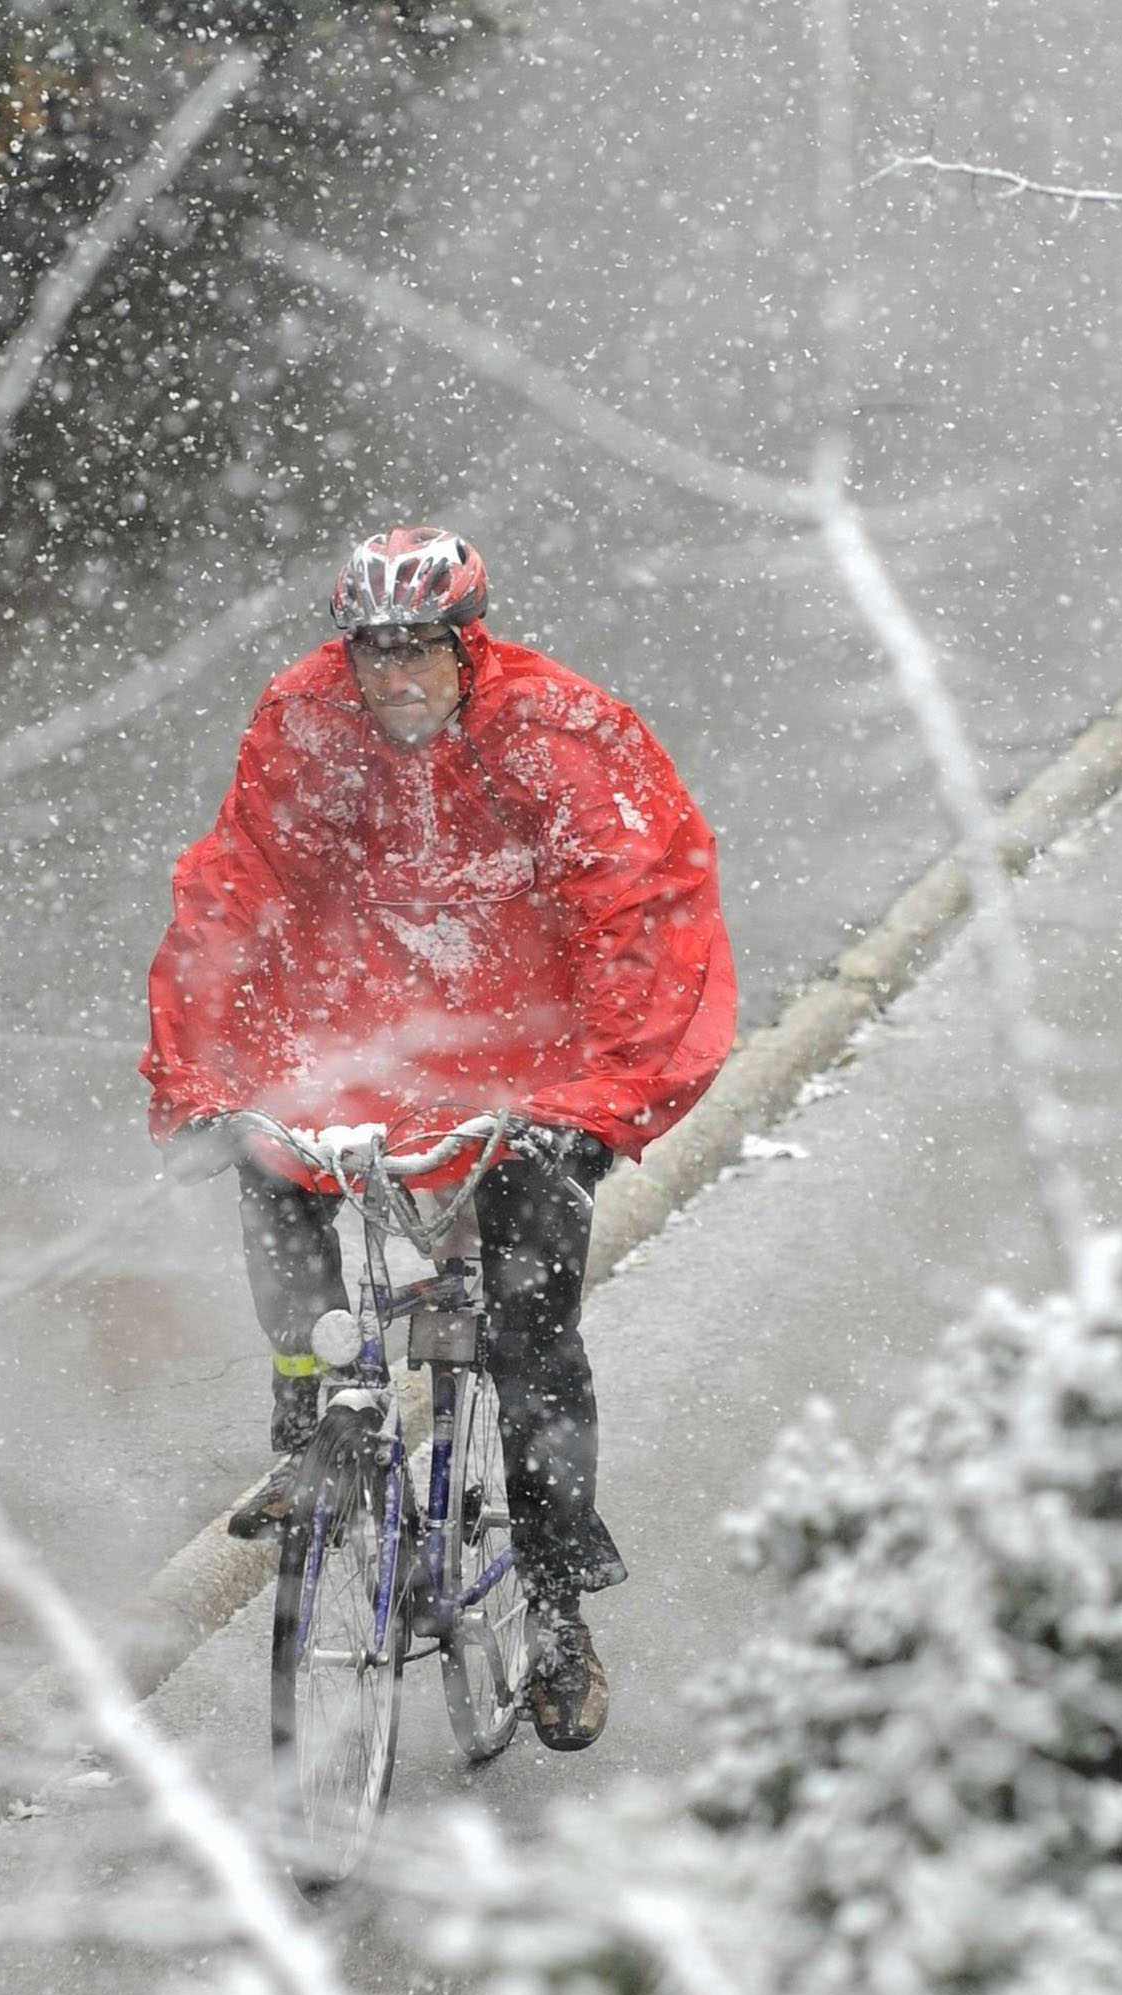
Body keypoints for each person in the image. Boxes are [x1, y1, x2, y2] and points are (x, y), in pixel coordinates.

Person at [142, 526, 735, 1749]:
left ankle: (560, 1602)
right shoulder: (306, 723)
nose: (394, 677)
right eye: (373, 652)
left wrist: (596, 1101)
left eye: (420, 651)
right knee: (270, 1167)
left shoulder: (555, 733)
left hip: (532, 1055)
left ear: (468, 648)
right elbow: (236, 888)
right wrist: (201, 1073)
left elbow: (628, 909)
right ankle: (306, 1417)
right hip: (370, 1034)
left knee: (529, 1332)